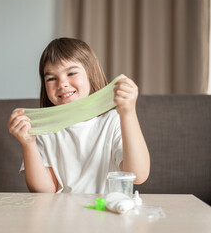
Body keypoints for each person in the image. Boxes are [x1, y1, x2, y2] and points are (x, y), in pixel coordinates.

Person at [8, 37, 150, 193]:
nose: (62, 83)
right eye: (51, 78)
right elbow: (45, 191)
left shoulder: (114, 121)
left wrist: (128, 114)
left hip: (109, 211)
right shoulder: (44, 129)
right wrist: (28, 144)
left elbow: (137, 175)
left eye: (71, 73)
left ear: (90, 74)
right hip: (63, 214)